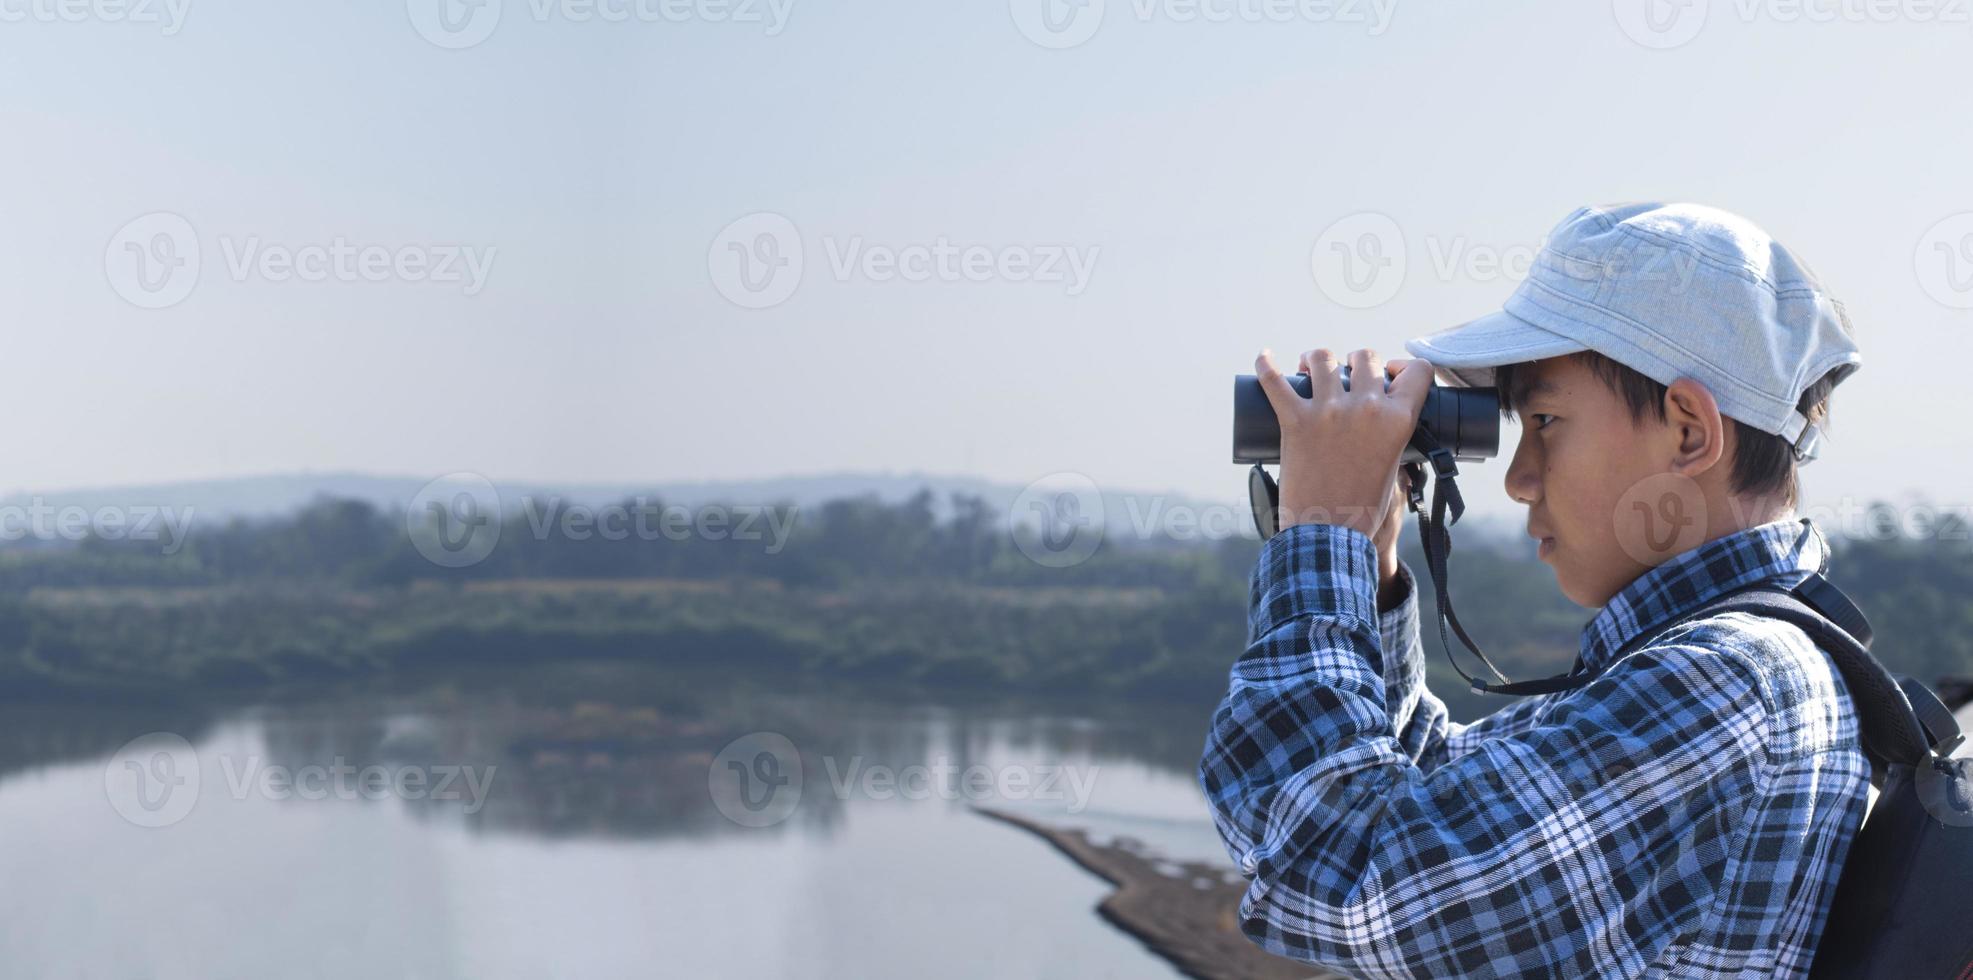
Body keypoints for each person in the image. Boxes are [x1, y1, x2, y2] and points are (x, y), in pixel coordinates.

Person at [1198, 202, 1867, 977]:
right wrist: (1368, 574)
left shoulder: (1729, 681)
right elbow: (1443, 802)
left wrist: (1319, 537)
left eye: (1544, 420)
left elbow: (1340, 876)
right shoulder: (1745, 662)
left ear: (1688, 431)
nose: (1516, 479)